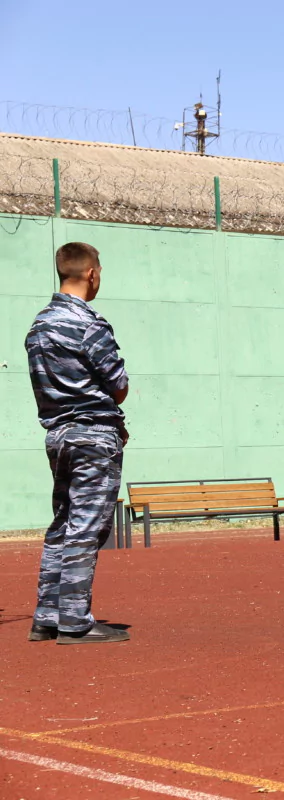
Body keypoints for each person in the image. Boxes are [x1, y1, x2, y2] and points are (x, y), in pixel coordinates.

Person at [25, 242, 130, 645]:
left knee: (63, 525)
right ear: (92, 273)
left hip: (58, 435)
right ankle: (74, 621)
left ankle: (47, 617)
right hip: (93, 436)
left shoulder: (38, 326)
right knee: (86, 527)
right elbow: (118, 386)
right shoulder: (89, 324)